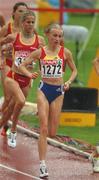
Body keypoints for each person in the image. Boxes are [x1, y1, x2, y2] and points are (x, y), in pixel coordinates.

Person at [18, 23, 77, 178]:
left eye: (60, 36)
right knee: (43, 128)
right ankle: (42, 165)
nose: (57, 38)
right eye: (54, 35)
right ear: (48, 35)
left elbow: (74, 70)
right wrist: (29, 74)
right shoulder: (40, 52)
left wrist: (68, 82)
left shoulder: (66, 53)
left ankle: (45, 139)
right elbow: (22, 65)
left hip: (58, 92)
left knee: (52, 133)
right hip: (43, 90)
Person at [0, 10, 45, 148]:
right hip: (13, 76)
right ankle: (13, 130)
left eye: (32, 22)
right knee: (20, 100)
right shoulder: (14, 37)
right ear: (22, 23)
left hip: (27, 78)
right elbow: (1, 43)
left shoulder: (40, 40)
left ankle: (3, 126)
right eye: (28, 22)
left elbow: (44, 56)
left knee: (15, 106)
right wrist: (3, 55)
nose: (30, 25)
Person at [0, 2, 28, 136]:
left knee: (16, 100)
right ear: (14, 13)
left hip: (22, 69)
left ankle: (4, 124)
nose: (23, 14)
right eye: (20, 11)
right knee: (7, 97)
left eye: (25, 12)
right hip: (8, 63)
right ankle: (3, 121)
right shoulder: (7, 28)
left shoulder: (29, 29)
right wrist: (1, 57)